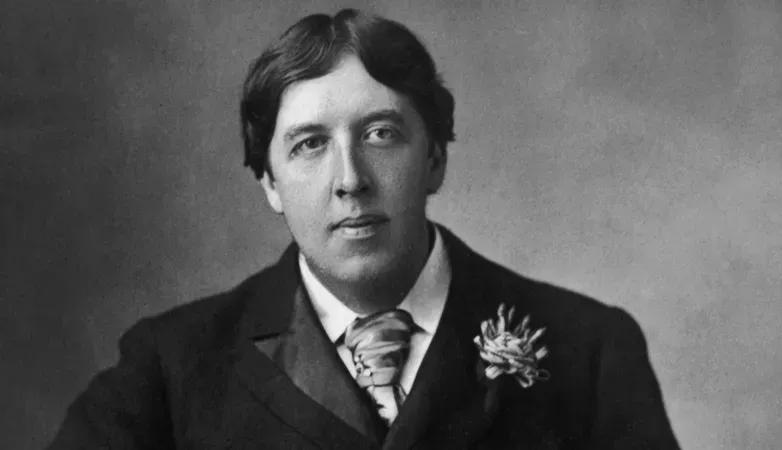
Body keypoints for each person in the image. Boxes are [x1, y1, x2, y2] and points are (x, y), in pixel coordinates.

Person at [49, 9, 680, 449]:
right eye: (309, 144)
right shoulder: (169, 366)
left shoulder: (590, 351)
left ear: (434, 158)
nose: (350, 179)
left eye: (380, 134)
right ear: (269, 184)